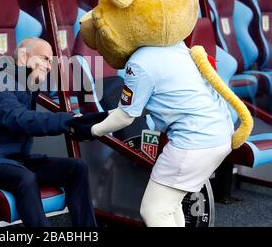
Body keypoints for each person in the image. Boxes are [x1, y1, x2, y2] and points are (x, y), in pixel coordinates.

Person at [70, 42, 236, 227]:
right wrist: (92, 118)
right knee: (170, 206)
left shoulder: (140, 61)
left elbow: (125, 117)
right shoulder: (177, 49)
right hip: (220, 135)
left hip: (193, 142)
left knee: (153, 211)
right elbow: (136, 108)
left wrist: (90, 130)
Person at [0, 37, 103, 227]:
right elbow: (18, 119)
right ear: (24, 57)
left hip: (12, 160)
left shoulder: (26, 84)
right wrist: (68, 121)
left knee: (76, 168)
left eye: (51, 61)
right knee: (25, 177)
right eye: (44, 59)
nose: (49, 66)